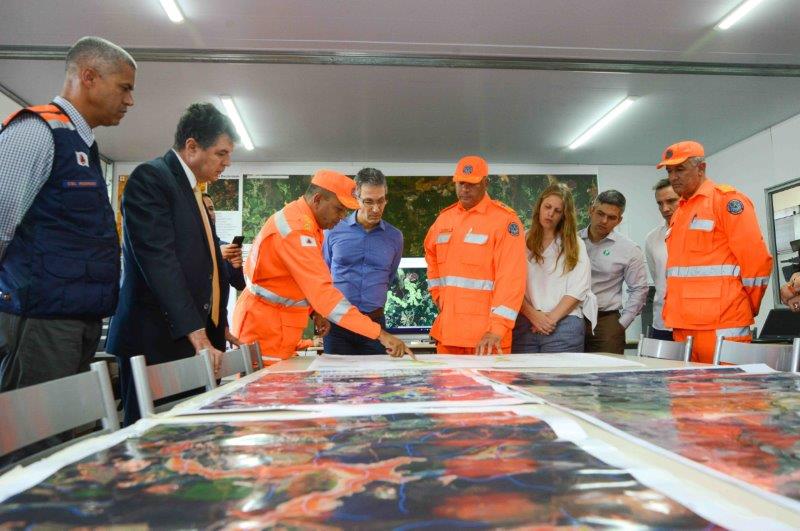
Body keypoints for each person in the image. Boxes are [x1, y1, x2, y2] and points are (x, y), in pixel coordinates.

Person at [0, 36, 136, 393]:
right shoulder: (36, 131)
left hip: (77, 319)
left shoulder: (83, 144)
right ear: (88, 77)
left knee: (69, 436)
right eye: (124, 88)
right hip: (40, 320)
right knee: (35, 440)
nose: (129, 100)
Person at [106, 103, 239, 425]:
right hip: (159, 340)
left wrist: (217, 322)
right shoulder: (152, 179)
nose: (226, 162)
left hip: (194, 338)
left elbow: (204, 261)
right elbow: (158, 261)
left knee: (191, 439)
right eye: (221, 153)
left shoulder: (193, 191)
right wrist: (198, 334)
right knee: (153, 441)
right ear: (192, 146)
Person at [232, 169, 413, 361]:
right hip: (265, 329)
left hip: (276, 327)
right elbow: (323, 291)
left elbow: (300, 281)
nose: (342, 216)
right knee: (264, 390)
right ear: (317, 199)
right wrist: (381, 335)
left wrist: (314, 311)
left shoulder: (309, 226)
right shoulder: (298, 231)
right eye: (338, 209)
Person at [657, 140, 773, 363]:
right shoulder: (680, 211)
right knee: (685, 396)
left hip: (722, 324)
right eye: (670, 171)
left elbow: (756, 261)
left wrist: (745, 305)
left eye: (680, 169)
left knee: (728, 393)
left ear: (701, 168)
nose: (673, 177)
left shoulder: (727, 201)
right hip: (682, 323)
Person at [423, 155, 526, 355]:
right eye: (460, 183)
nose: (465, 189)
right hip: (449, 334)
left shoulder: (505, 221)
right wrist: (438, 294)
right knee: (448, 387)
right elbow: (430, 254)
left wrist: (497, 329)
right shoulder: (444, 219)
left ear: (485, 183)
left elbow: (512, 278)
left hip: (487, 338)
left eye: (472, 184)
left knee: (488, 388)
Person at [322, 168, 403, 355]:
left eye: (381, 201)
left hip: (375, 325)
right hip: (337, 326)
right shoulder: (333, 231)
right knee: (338, 383)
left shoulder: (395, 237)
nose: (376, 209)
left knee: (375, 384)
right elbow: (323, 274)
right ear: (356, 199)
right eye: (368, 201)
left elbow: (389, 276)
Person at [512, 183, 596, 353]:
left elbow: (578, 289)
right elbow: (510, 284)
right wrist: (534, 316)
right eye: (547, 207)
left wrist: (549, 319)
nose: (550, 214)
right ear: (539, 206)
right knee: (525, 379)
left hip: (564, 323)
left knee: (559, 379)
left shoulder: (575, 244)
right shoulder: (519, 241)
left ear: (564, 216)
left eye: (557, 211)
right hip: (526, 322)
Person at [580, 190, 648, 354]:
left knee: (608, 375)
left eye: (612, 218)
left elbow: (639, 289)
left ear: (619, 220)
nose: (604, 221)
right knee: (572, 373)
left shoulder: (629, 249)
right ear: (591, 210)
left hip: (606, 320)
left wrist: (622, 324)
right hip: (573, 317)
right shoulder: (572, 242)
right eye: (600, 213)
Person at [644, 179, 681, 341]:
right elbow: (657, 277)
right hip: (663, 321)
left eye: (671, 201)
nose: (665, 209)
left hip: (695, 322)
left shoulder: (701, 230)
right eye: (660, 203)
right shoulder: (652, 238)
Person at [202, 192, 246, 295]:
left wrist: (237, 267)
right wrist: (217, 255)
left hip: (219, 311)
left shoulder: (225, 247)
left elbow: (240, 285)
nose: (210, 213)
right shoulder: (186, 247)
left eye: (211, 209)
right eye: (204, 209)